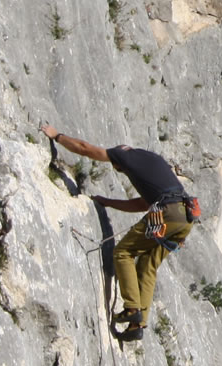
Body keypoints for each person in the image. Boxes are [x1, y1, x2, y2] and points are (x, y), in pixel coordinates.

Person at [43, 123, 198, 342]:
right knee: (148, 264)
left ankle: (132, 308)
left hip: (168, 212)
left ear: (119, 160)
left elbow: (85, 148)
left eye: (118, 168)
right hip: (185, 218)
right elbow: (142, 204)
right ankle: (137, 324)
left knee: (123, 252)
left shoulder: (122, 156)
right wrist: (108, 202)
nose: (120, 171)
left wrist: (57, 136)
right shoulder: (152, 161)